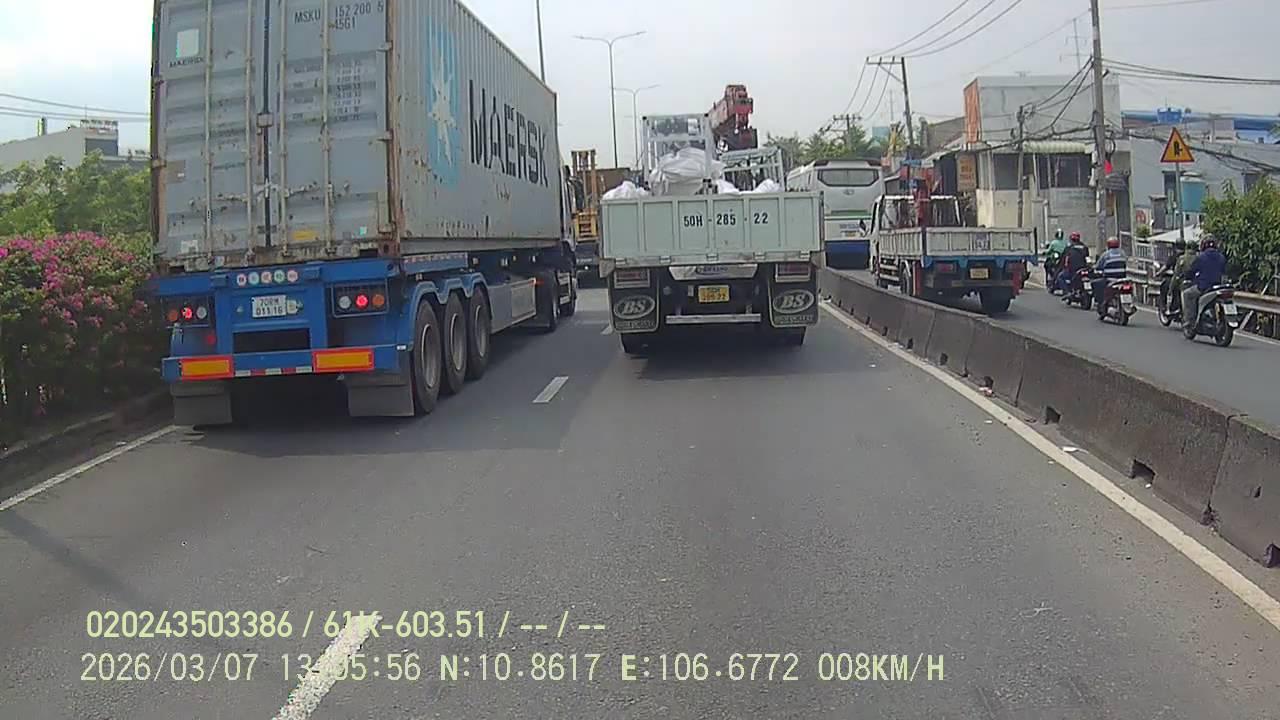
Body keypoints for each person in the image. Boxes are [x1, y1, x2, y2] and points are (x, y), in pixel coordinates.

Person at [1181, 234, 1228, 332]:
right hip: (1218, 287)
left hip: (1204, 287)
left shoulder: (1200, 257)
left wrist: (1188, 276)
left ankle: (1189, 321)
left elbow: (1191, 270)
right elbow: (1225, 272)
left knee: (1187, 294)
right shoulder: (1221, 257)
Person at [1092, 236, 1127, 307]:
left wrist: (1095, 268)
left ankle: (1100, 302)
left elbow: (1098, 266)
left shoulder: (1106, 255)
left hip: (1109, 278)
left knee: (1095, 283)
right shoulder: (1123, 253)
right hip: (1121, 278)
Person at [1059, 231, 1089, 297]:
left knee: (1060, 277)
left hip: (1072, 270)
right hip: (1083, 269)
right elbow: (1087, 258)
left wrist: (1063, 266)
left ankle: (1067, 292)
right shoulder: (1084, 247)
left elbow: (1064, 260)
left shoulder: (1069, 248)